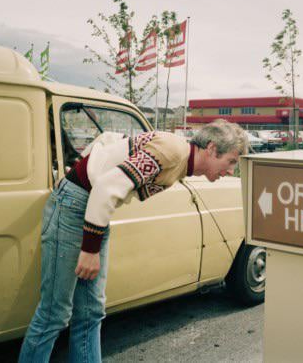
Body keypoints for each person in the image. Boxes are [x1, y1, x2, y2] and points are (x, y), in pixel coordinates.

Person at [19, 119, 248, 363]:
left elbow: (107, 141)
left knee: (90, 313)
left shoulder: (178, 153)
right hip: (77, 207)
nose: (231, 171)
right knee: (54, 314)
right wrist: (90, 249)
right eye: (231, 161)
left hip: (89, 209)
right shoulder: (173, 151)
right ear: (212, 149)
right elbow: (106, 188)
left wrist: (78, 170)